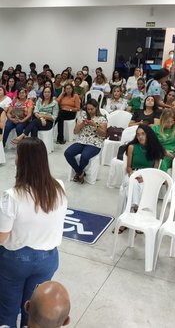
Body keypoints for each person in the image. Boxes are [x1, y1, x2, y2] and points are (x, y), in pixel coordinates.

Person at [0, 137, 67, 327]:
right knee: (33, 310)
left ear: (21, 161)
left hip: (14, 260)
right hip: (48, 258)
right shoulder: (58, 188)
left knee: (7, 309)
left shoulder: (12, 196)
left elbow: (2, 236)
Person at [115, 124, 165, 232]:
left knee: (133, 188)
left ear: (149, 135)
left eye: (143, 134)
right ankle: (137, 211)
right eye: (138, 135)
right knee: (132, 183)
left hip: (148, 176)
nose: (140, 137)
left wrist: (145, 178)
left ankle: (126, 220)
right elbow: (128, 167)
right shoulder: (132, 147)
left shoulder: (156, 149)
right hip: (133, 173)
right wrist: (132, 174)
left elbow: (155, 171)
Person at [64, 99, 107, 184]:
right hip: (81, 141)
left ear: (96, 108)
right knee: (67, 153)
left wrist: (95, 125)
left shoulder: (102, 119)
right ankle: (80, 172)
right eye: (88, 109)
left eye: (92, 109)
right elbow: (75, 132)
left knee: (84, 156)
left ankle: (78, 173)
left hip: (95, 142)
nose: (90, 111)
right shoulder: (82, 117)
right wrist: (81, 125)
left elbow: (103, 134)